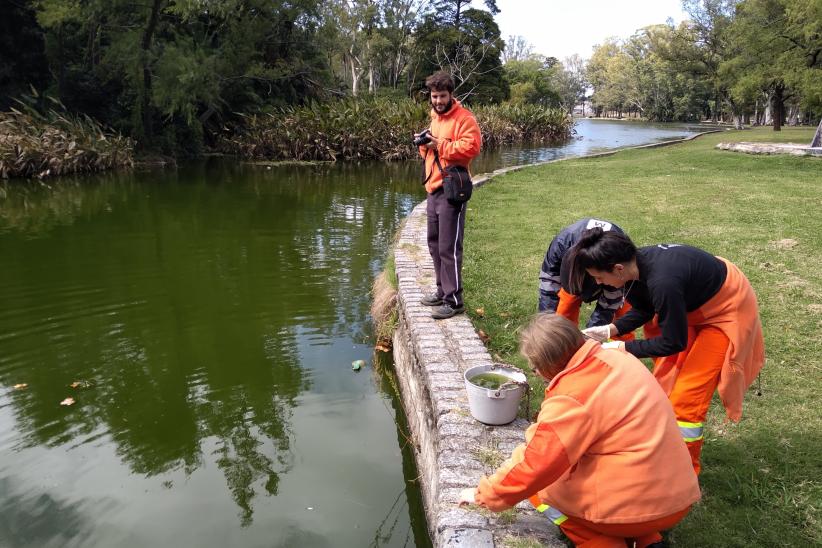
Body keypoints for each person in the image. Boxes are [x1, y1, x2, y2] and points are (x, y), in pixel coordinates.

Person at [461, 314, 700, 548]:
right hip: (678, 497)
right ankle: (647, 539)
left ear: (547, 365)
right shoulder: (620, 359)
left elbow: (535, 465)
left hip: (637, 512)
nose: (535, 373)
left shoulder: (572, 397)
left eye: (534, 367)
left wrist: (485, 495)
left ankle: (602, 541)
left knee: (541, 489)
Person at [568, 229, 765, 474]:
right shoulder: (636, 267)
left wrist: (622, 347)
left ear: (618, 268)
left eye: (598, 277)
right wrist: (611, 329)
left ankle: (683, 477)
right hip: (694, 301)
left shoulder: (663, 283)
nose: (598, 283)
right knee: (665, 383)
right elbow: (644, 308)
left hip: (728, 310)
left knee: (686, 399)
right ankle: (661, 452)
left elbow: (673, 342)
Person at [416, 71, 481, 320]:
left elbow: (471, 148)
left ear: (451, 94)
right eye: (434, 96)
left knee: (449, 247)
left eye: (442, 96)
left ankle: (454, 301)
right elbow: (431, 153)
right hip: (433, 188)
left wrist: (439, 145)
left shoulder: (465, 119)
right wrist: (424, 143)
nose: (438, 101)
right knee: (434, 245)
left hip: (452, 189)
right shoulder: (435, 118)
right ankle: (442, 291)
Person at [538, 218, 629, 335]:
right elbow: (548, 291)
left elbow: (608, 306)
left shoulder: (615, 261)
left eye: (599, 278)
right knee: (566, 306)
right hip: (581, 264)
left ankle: (621, 349)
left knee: (622, 314)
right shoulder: (560, 246)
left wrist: (593, 336)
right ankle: (567, 339)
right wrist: (546, 327)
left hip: (614, 271)